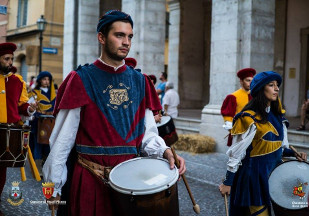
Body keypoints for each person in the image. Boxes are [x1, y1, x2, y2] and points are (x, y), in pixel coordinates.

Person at [42, 10, 186, 216]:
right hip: (90, 179)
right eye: (119, 35)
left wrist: (164, 151)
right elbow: (62, 140)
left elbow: (148, 134)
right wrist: (53, 186)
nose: (126, 42)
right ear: (101, 37)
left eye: (129, 36)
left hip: (132, 183)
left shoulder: (140, 81)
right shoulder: (81, 79)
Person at [218, 71, 307, 216]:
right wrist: (228, 182)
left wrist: (294, 154)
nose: (276, 89)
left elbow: (277, 149)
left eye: (277, 85)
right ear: (260, 89)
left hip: (274, 176)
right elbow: (236, 155)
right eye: (271, 85)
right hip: (253, 178)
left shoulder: (279, 118)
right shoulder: (247, 119)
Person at [0, 42, 37, 216]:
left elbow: (22, 106)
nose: (10, 62)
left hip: (9, 133)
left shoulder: (17, 81)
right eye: (6, 59)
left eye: (12, 59)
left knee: (1, 174)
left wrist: (30, 108)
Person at [28, 71, 56, 174]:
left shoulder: (53, 94)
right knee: (38, 144)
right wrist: (35, 113)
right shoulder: (34, 93)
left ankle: (47, 167)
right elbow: (29, 107)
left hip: (51, 123)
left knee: (49, 146)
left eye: (48, 79)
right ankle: (38, 168)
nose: (46, 81)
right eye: (44, 79)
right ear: (40, 80)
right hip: (39, 123)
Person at [221, 68, 256, 146]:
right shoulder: (233, 96)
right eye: (248, 80)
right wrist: (232, 130)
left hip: (255, 132)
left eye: (252, 81)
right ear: (241, 81)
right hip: (239, 133)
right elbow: (228, 116)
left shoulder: (255, 96)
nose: (250, 83)